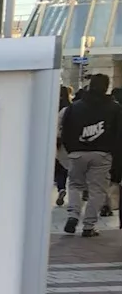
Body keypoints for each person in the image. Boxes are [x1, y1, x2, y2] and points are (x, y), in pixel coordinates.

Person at [59, 73, 121, 237]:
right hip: (102, 154)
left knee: (75, 185)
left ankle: (73, 215)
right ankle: (89, 225)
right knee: (97, 190)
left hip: (77, 153)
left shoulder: (75, 107)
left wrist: (71, 149)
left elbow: (65, 130)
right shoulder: (114, 108)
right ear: (106, 87)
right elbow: (118, 134)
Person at [55, 85, 71, 206]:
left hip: (55, 141)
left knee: (58, 167)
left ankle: (61, 188)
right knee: (66, 167)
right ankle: (64, 188)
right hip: (67, 141)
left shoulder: (52, 106)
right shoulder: (70, 108)